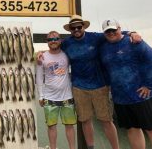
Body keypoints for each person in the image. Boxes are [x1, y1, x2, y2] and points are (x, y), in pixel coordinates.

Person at [37, 15, 141, 149]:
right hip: (79, 87)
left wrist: (132, 33)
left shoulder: (95, 37)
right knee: (85, 120)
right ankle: (90, 147)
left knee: (106, 120)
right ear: (70, 30)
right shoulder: (67, 43)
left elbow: (113, 34)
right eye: (73, 28)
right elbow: (53, 48)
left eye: (79, 27)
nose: (76, 29)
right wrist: (40, 53)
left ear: (83, 26)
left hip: (100, 86)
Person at [100, 19, 152, 149]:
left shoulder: (134, 42)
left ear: (119, 28)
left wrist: (149, 85)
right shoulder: (103, 48)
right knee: (132, 129)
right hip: (120, 98)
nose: (111, 33)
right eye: (108, 31)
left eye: (114, 30)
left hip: (142, 96)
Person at [36, 31, 77, 149]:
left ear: (60, 41)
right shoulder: (42, 57)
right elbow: (39, 77)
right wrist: (40, 95)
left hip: (67, 96)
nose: (53, 41)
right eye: (50, 39)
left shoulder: (67, 55)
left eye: (55, 39)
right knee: (51, 126)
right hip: (49, 97)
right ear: (46, 42)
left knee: (69, 125)